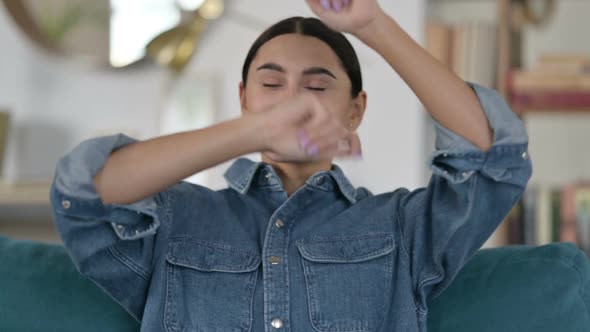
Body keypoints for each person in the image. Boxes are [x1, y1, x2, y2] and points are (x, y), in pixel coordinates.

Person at [50, 0, 532, 331]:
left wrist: (372, 26)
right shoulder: (175, 220)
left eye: (318, 86)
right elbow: (84, 194)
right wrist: (256, 131)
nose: (294, 101)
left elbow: (492, 159)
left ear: (356, 110)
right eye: (271, 85)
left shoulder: (402, 230)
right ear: (243, 99)